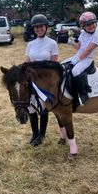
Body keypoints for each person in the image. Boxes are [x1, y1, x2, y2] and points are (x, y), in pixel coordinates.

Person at [25, 14, 59, 146]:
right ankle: (35, 133)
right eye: (36, 27)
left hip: (45, 82)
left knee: (44, 107)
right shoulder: (30, 44)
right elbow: (27, 62)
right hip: (32, 81)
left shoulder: (52, 43)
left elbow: (54, 64)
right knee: (31, 107)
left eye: (41, 26)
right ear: (34, 29)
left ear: (46, 27)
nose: (39, 29)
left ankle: (42, 135)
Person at [67, 11, 98, 105]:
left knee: (75, 71)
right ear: (83, 26)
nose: (92, 26)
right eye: (88, 24)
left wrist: (77, 59)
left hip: (87, 59)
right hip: (78, 56)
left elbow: (88, 51)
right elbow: (78, 47)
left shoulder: (96, 36)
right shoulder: (82, 34)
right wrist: (72, 42)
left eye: (93, 23)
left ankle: (83, 94)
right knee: (64, 65)